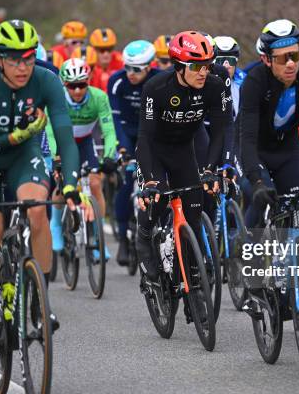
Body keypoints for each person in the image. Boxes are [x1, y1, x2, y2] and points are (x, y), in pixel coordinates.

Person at [0, 19, 82, 360]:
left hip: (23, 157)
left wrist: (71, 183)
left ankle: (39, 302)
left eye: (29, 57)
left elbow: (65, 136)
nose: (23, 67)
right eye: (15, 59)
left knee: (37, 210)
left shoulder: (46, 80)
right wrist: (7, 138)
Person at [135, 30, 229, 288]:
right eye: (196, 66)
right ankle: (143, 236)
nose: (203, 72)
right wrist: (150, 181)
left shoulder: (215, 86)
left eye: (208, 65)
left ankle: (191, 283)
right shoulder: (156, 88)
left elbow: (220, 129)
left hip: (183, 151)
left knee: (194, 212)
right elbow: (144, 136)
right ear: (178, 66)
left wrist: (211, 168)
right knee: (157, 199)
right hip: (154, 152)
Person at [239, 19, 299, 229]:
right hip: (254, 149)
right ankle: (246, 253)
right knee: (260, 200)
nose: (290, 63)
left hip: (286, 149)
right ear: (266, 60)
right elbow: (248, 138)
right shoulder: (254, 82)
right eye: (281, 58)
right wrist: (257, 182)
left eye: (294, 55)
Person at [45, 58, 117, 261]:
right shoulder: (57, 98)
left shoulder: (99, 97)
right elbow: (50, 131)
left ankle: (97, 236)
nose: (77, 90)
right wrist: (55, 157)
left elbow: (109, 130)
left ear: (88, 82)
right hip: (62, 143)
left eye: (82, 85)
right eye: (72, 86)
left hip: (85, 144)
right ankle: (56, 226)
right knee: (62, 186)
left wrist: (110, 156)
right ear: (64, 85)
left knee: (95, 183)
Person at [107, 40, 161, 265]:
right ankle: (122, 237)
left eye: (136, 69)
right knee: (127, 181)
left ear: (150, 65)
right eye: (127, 67)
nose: (130, 73)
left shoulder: (160, 80)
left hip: (151, 132)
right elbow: (115, 119)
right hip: (127, 133)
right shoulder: (116, 81)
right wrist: (122, 148)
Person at [88, 28, 123, 92]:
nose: (106, 54)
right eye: (102, 50)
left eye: (109, 49)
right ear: (94, 49)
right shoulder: (89, 64)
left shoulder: (121, 60)